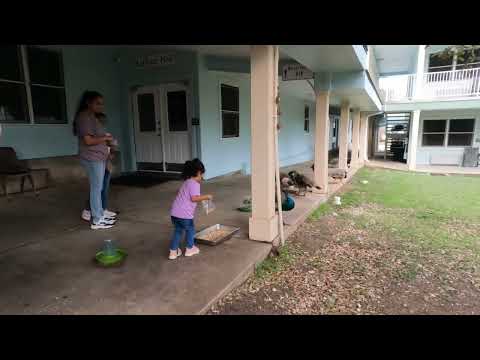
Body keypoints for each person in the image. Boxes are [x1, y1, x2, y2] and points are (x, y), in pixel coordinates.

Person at [73, 91, 116, 230]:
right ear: (88, 102)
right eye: (98, 103)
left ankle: (101, 212)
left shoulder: (92, 116)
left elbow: (97, 136)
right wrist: (106, 139)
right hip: (92, 157)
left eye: (102, 103)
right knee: (96, 188)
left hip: (99, 156)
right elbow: (88, 140)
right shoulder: (84, 117)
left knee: (100, 187)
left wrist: (107, 140)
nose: (101, 106)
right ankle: (97, 219)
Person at [168, 159, 213, 260]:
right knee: (190, 230)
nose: (202, 177)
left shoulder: (186, 182)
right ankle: (190, 248)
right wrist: (207, 197)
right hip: (185, 215)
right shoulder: (195, 184)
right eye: (202, 175)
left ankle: (173, 251)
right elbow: (194, 198)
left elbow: (189, 196)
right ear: (198, 172)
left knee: (178, 231)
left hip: (174, 213)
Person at [81, 113, 118, 222]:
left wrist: (112, 145)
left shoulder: (104, 134)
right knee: (96, 188)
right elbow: (90, 147)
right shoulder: (90, 136)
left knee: (103, 188)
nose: (101, 125)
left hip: (106, 163)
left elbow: (113, 144)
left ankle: (102, 209)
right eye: (98, 122)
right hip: (96, 163)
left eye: (102, 123)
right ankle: (88, 211)